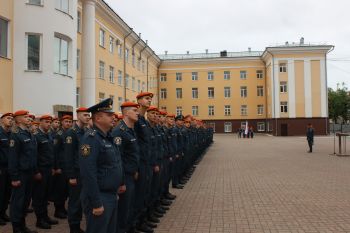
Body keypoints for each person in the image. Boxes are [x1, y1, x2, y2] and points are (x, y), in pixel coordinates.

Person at [79, 98, 124, 233]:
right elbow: (88, 173)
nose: (113, 117)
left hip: (109, 195)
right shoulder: (91, 139)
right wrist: (96, 203)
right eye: (109, 115)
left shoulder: (107, 137)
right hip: (99, 197)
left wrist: (114, 190)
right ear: (98, 118)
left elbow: (113, 165)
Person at [112, 101, 140, 233]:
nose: (138, 113)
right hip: (124, 177)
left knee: (130, 206)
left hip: (131, 174)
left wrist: (135, 170)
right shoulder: (119, 131)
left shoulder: (130, 130)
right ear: (126, 112)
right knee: (123, 209)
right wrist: (121, 181)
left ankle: (129, 228)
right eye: (135, 110)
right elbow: (118, 159)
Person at [8, 110, 38, 233]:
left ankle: (22, 225)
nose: (28, 118)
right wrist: (14, 177)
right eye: (25, 117)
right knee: (17, 202)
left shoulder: (29, 134)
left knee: (26, 201)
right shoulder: (15, 135)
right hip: (20, 173)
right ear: (18, 119)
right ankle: (16, 227)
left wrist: (35, 171)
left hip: (29, 173)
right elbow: (13, 158)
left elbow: (33, 155)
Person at [61, 108, 90, 233]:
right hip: (76, 173)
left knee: (82, 200)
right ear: (78, 116)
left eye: (88, 115)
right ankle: (74, 227)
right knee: (75, 201)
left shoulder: (86, 131)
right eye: (85, 115)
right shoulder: (71, 133)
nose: (87, 117)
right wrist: (71, 175)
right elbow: (68, 156)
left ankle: (77, 225)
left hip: (84, 172)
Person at [32, 115, 59, 229]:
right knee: (39, 196)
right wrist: (36, 171)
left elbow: (50, 153)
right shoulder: (36, 136)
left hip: (48, 169)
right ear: (40, 122)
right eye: (46, 122)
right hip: (41, 170)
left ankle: (45, 216)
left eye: (49, 122)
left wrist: (53, 167)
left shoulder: (49, 135)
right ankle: (39, 220)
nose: (49, 124)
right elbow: (33, 156)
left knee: (46, 196)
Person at [0, 113, 14, 226]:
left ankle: (3, 212)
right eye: (8, 118)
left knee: (7, 192)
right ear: (1, 120)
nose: (11, 120)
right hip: (1, 167)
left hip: (9, 167)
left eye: (12, 119)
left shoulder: (11, 134)